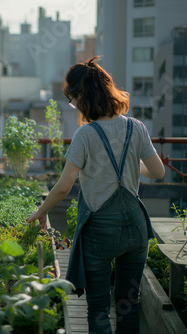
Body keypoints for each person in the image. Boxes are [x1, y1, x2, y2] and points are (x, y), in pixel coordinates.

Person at [27, 56, 165, 334]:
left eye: (72, 99)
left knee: (99, 309)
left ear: (82, 96)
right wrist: (128, 163)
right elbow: (158, 172)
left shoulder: (85, 135)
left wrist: (40, 212)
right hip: (136, 228)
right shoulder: (136, 127)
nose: (73, 105)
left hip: (101, 231)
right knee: (128, 303)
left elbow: (64, 187)